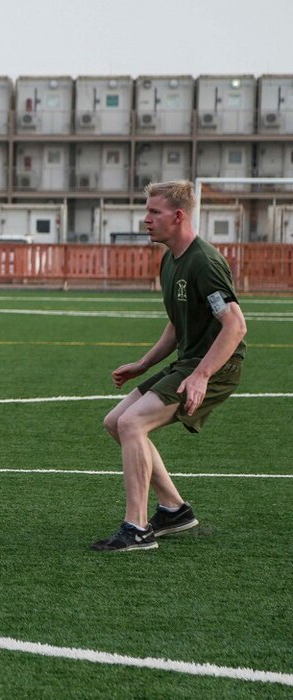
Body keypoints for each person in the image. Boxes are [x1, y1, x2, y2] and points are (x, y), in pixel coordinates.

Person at [93, 180, 247, 552]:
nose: (145, 219)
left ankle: (137, 528)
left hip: (217, 366)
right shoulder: (171, 260)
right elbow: (178, 324)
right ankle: (174, 509)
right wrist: (143, 363)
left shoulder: (204, 261)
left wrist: (201, 376)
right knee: (115, 422)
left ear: (177, 216)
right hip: (190, 361)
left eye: (153, 212)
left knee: (133, 423)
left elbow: (235, 325)